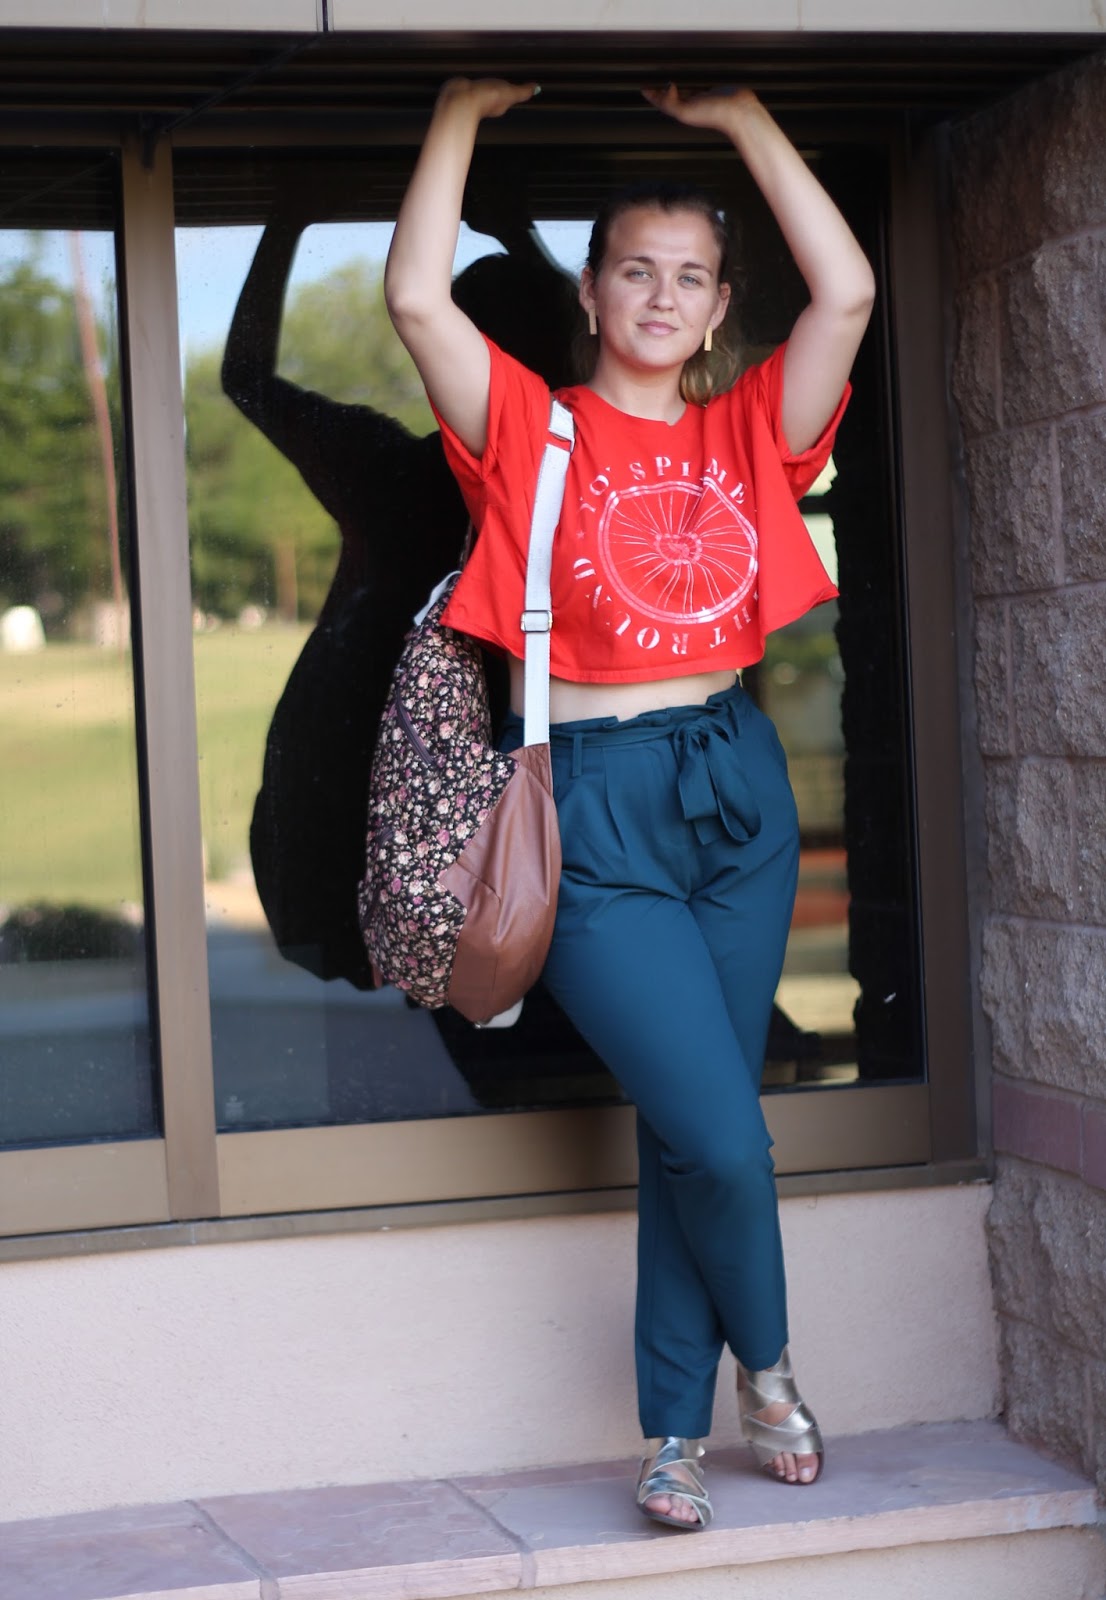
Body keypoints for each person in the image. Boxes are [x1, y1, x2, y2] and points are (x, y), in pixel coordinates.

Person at [384, 78, 875, 1530]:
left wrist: (746, 120)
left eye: (691, 276)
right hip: (590, 807)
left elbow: (847, 291)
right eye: (636, 271)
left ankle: (671, 1436)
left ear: (717, 309)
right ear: (592, 293)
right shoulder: (527, 430)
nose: (662, 297)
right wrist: (459, 108)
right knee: (719, 1133)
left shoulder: (748, 432)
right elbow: (413, 296)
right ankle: (768, 1371)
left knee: (686, 1127)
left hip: (733, 786)